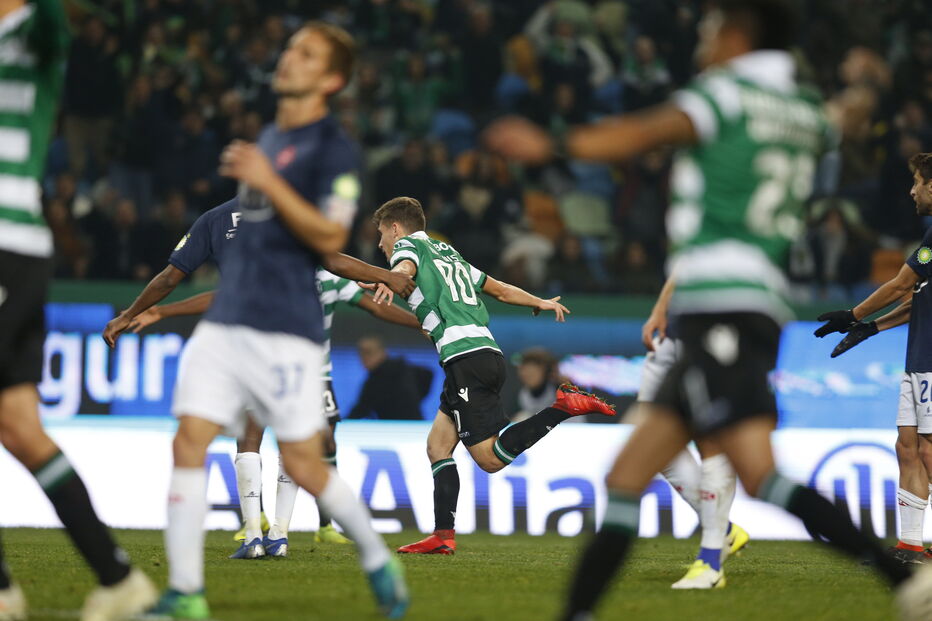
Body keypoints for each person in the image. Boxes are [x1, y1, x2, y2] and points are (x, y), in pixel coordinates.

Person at [485, 0, 927, 618]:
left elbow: (646, 132)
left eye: (715, 26)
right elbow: (843, 118)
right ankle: (900, 581)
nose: (705, 36)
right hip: (751, 304)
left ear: (741, 34)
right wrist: (866, 86)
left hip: (722, 302)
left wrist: (553, 144)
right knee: (655, 476)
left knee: (743, 472)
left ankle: (894, 580)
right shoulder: (802, 112)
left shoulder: (725, 95)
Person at [137, 22, 409, 618]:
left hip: (286, 329)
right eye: (289, 48)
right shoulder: (271, 135)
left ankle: (375, 556)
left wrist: (266, 182)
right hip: (228, 321)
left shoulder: (333, 150)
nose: (289, 59)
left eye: (306, 54)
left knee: (306, 463)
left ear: (331, 79)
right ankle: (185, 593)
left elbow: (329, 235)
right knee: (188, 440)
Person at [0, 2, 157, 620]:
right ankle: (116, 581)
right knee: (18, 425)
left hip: (6, 245)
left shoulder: (36, 28)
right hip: (15, 252)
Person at [364, 196, 616, 556]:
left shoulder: (407, 246)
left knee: (489, 459)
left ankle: (564, 407)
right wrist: (539, 301)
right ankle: (443, 535)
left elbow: (403, 266)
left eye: (381, 235)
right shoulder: (448, 253)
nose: (380, 244)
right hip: (479, 354)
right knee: (438, 446)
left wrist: (393, 277)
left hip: (466, 359)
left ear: (394, 227)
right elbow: (498, 289)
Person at [126, 268, 422, 557]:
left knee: (251, 441)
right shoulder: (330, 275)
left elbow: (220, 298)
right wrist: (422, 323)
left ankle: (256, 535)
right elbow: (375, 307)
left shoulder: (264, 271)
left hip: (263, 368)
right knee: (296, 447)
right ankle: (279, 535)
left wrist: (163, 312)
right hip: (306, 373)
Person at [816, 152, 932, 564]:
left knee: (930, 451)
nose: (912, 190)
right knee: (907, 448)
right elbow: (920, 299)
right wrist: (872, 328)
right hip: (919, 356)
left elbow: (903, 286)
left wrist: (854, 314)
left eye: (918, 181)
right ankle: (912, 545)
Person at [637, 275, 749, 588]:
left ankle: (711, 562)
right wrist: (660, 310)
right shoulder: (694, 236)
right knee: (652, 440)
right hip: (672, 332)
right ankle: (724, 531)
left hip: (710, 334)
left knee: (711, 440)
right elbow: (686, 265)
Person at [348, 336, 432, 421]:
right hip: (414, 424)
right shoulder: (402, 367)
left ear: (383, 352)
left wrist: (343, 424)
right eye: (361, 354)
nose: (364, 358)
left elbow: (361, 409)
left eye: (369, 353)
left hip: (397, 428)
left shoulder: (376, 380)